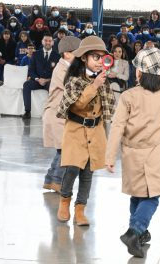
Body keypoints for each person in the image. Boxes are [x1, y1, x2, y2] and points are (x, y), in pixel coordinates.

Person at [105, 47, 160, 258]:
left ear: (139, 73)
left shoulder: (128, 96)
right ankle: (134, 232)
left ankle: (139, 233)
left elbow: (117, 127)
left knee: (137, 194)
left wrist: (109, 157)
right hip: (155, 153)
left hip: (132, 153)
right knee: (152, 196)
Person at [56, 36, 116, 226]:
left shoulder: (103, 80)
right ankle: (64, 201)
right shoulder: (74, 80)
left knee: (88, 174)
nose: (99, 61)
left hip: (96, 131)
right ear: (84, 58)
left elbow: (108, 106)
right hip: (75, 131)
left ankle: (80, 209)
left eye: (102, 57)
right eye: (95, 57)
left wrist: (102, 84)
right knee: (72, 168)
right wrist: (95, 85)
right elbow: (78, 105)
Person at [42, 36, 81, 193]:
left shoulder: (67, 67)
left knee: (61, 149)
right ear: (66, 54)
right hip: (57, 113)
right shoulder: (61, 69)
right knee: (65, 149)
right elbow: (71, 88)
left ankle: (49, 179)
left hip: (59, 113)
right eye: (77, 53)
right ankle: (58, 182)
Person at [22, 34, 60, 119]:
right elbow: (31, 70)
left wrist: (47, 80)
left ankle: (52, 112)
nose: (48, 42)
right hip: (37, 81)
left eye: (50, 41)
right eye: (46, 40)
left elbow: (58, 73)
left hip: (49, 81)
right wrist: (38, 79)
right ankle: (27, 111)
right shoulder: (35, 54)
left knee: (53, 86)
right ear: (42, 42)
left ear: (53, 43)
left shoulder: (57, 56)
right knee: (26, 85)